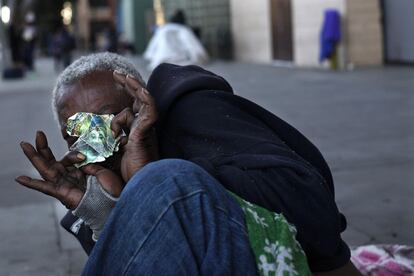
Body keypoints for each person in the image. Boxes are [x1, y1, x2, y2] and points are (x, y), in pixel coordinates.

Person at [16, 52, 361, 275]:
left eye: (107, 118)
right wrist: (109, 214)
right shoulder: (91, 198)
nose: (97, 140)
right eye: (77, 131)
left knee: (165, 179)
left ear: (139, 102)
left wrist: (148, 178)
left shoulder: (193, 113)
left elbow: (314, 206)